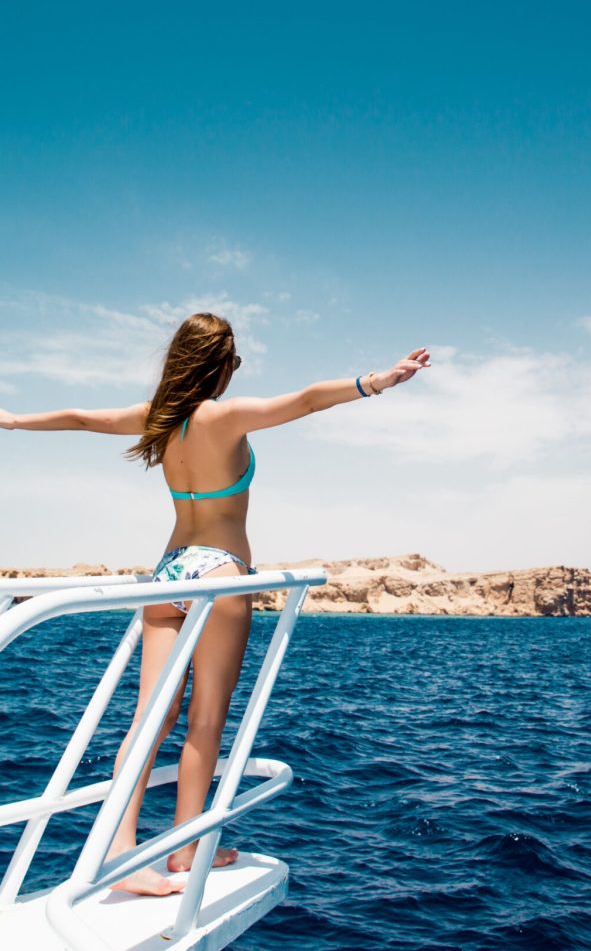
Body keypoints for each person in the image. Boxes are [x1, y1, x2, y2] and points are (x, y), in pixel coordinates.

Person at [0, 312, 431, 896]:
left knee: (150, 717)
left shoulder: (158, 419)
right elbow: (306, 400)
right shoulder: (225, 416)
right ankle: (183, 849)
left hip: (168, 573)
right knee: (205, 719)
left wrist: (14, 419)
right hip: (220, 572)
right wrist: (379, 380)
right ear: (221, 364)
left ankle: (119, 848)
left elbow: (80, 416)